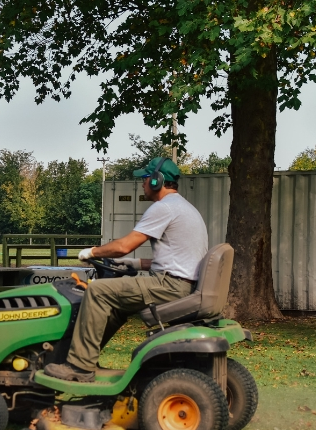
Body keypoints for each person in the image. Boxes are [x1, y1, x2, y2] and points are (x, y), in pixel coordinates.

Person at [44, 157, 208, 382]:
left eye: (144, 178)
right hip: (180, 283)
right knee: (116, 306)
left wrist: (92, 252)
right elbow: (178, 258)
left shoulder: (164, 208)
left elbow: (123, 246)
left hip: (170, 286)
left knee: (97, 291)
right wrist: (135, 264)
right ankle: (84, 357)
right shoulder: (184, 208)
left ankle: (79, 368)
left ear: (156, 181)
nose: (142, 183)